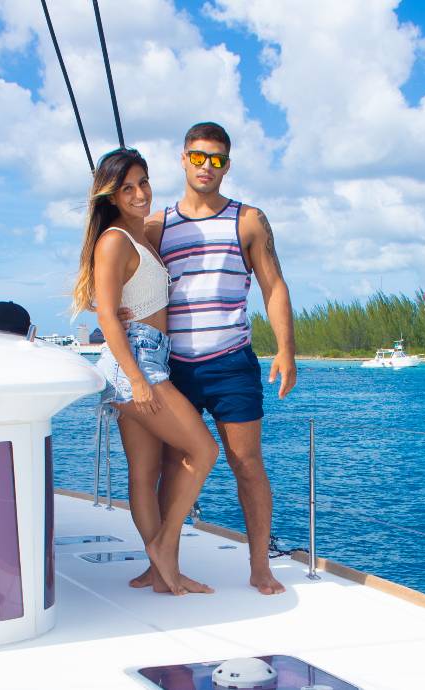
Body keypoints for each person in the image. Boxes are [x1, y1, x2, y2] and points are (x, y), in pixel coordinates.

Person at [127, 122, 299, 595]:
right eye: (199, 157)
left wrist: (286, 349)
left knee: (247, 463)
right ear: (183, 159)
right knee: (171, 464)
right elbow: (130, 279)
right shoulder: (156, 226)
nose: (207, 166)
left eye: (217, 159)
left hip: (230, 362)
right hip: (172, 366)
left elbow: (273, 285)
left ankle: (260, 566)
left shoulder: (248, 220)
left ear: (227, 165)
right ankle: (163, 564)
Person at [71, 148, 221, 596]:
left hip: (146, 355)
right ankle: (163, 547)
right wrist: (137, 379)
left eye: (144, 182)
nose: (139, 194)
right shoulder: (114, 240)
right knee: (203, 450)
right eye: (127, 188)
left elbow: (111, 301)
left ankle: (160, 572)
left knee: (144, 472)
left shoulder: (140, 235)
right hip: (136, 362)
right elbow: (107, 317)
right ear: (111, 196)